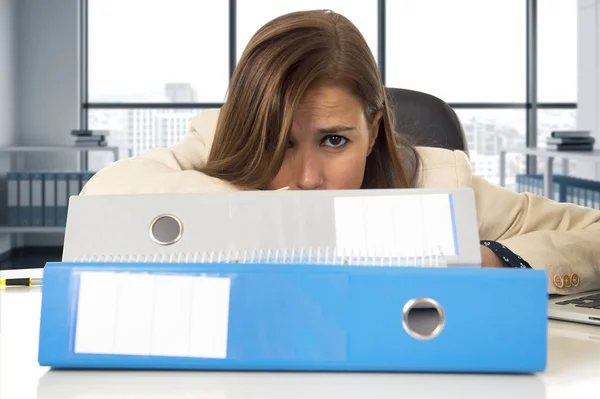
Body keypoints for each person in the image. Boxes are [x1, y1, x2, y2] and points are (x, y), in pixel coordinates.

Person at [80, 10, 600, 296]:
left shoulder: (437, 180)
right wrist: (253, 212)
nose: (307, 179)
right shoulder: (218, 143)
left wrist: (496, 261)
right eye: (281, 143)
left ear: (372, 132)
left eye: (334, 141)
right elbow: (101, 197)